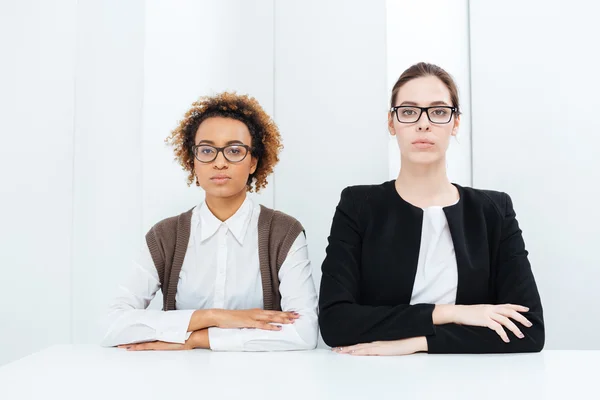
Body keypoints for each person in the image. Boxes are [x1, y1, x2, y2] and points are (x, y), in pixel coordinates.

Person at [318, 62, 544, 355]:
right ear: (391, 123)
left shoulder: (494, 210)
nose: (423, 124)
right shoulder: (359, 205)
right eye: (409, 111)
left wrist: (417, 343)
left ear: (456, 123)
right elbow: (336, 322)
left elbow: (528, 330)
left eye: (438, 112)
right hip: (373, 380)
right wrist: (453, 313)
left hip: (471, 381)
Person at [101, 92, 318, 351]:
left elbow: (304, 333)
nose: (219, 162)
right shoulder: (165, 235)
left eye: (234, 151)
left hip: (261, 380)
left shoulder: (284, 232)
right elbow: (111, 324)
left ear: (253, 162)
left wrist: (197, 339)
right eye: (206, 150)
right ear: (193, 161)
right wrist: (215, 317)